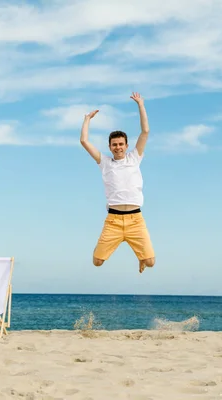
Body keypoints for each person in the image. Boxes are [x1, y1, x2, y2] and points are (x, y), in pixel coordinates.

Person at [79, 92, 156, 273]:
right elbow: (84, 141)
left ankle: (141, 258)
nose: (118, 147)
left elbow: (145, 131)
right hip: (113, 221)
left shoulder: (135, 158)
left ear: (127, 145)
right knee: (97, 262)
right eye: (114, 144)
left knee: (151, 262)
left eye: (121, 144)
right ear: (110, 147)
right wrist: (87, 119)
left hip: (136, 220)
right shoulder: (104, 162)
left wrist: (141, 105)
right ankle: (115, 245)